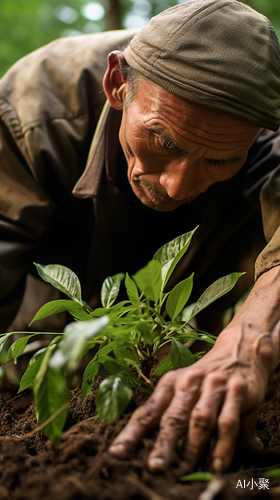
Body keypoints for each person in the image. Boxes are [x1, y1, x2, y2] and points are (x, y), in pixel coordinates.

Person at [1, 0, 280, 473]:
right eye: (164, 140)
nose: (177, 186)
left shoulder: (264, 130)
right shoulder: (33, 110)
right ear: (117, 85)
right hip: (42, 327)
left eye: (218, 161)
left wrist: (249, 339)